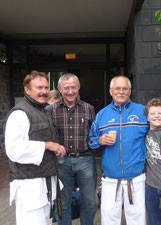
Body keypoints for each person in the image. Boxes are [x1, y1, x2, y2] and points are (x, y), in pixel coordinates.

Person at [88, 75, 161, 225]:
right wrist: (100, 140)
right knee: (109, 220)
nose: (121, 92)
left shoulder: (143, 111)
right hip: (110, 179)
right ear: (111, 91)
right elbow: (91, 142)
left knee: (137, 220)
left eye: (125, 89)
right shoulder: (102, 115)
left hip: (137, 178)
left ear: (130, 91)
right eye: (117, 88)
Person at [5, 71, 66, 225]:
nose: (44, 91)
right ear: (27, 89)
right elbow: (14, 149)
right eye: (39, 87)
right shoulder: (19, 113)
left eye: (46, 87)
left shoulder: (43, 111)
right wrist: (47, 145)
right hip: (30, 187)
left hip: (46, 183)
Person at [47, 73, 97, 225]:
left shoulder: (89, 109)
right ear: (59, 89)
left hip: (86, 160)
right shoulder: (50, 110)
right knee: (63, 202)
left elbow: (94, 135)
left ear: (78, 88)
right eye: (66, 88)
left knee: (89, 202)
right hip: (62, 162)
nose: (70, 91)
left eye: (73, 87)